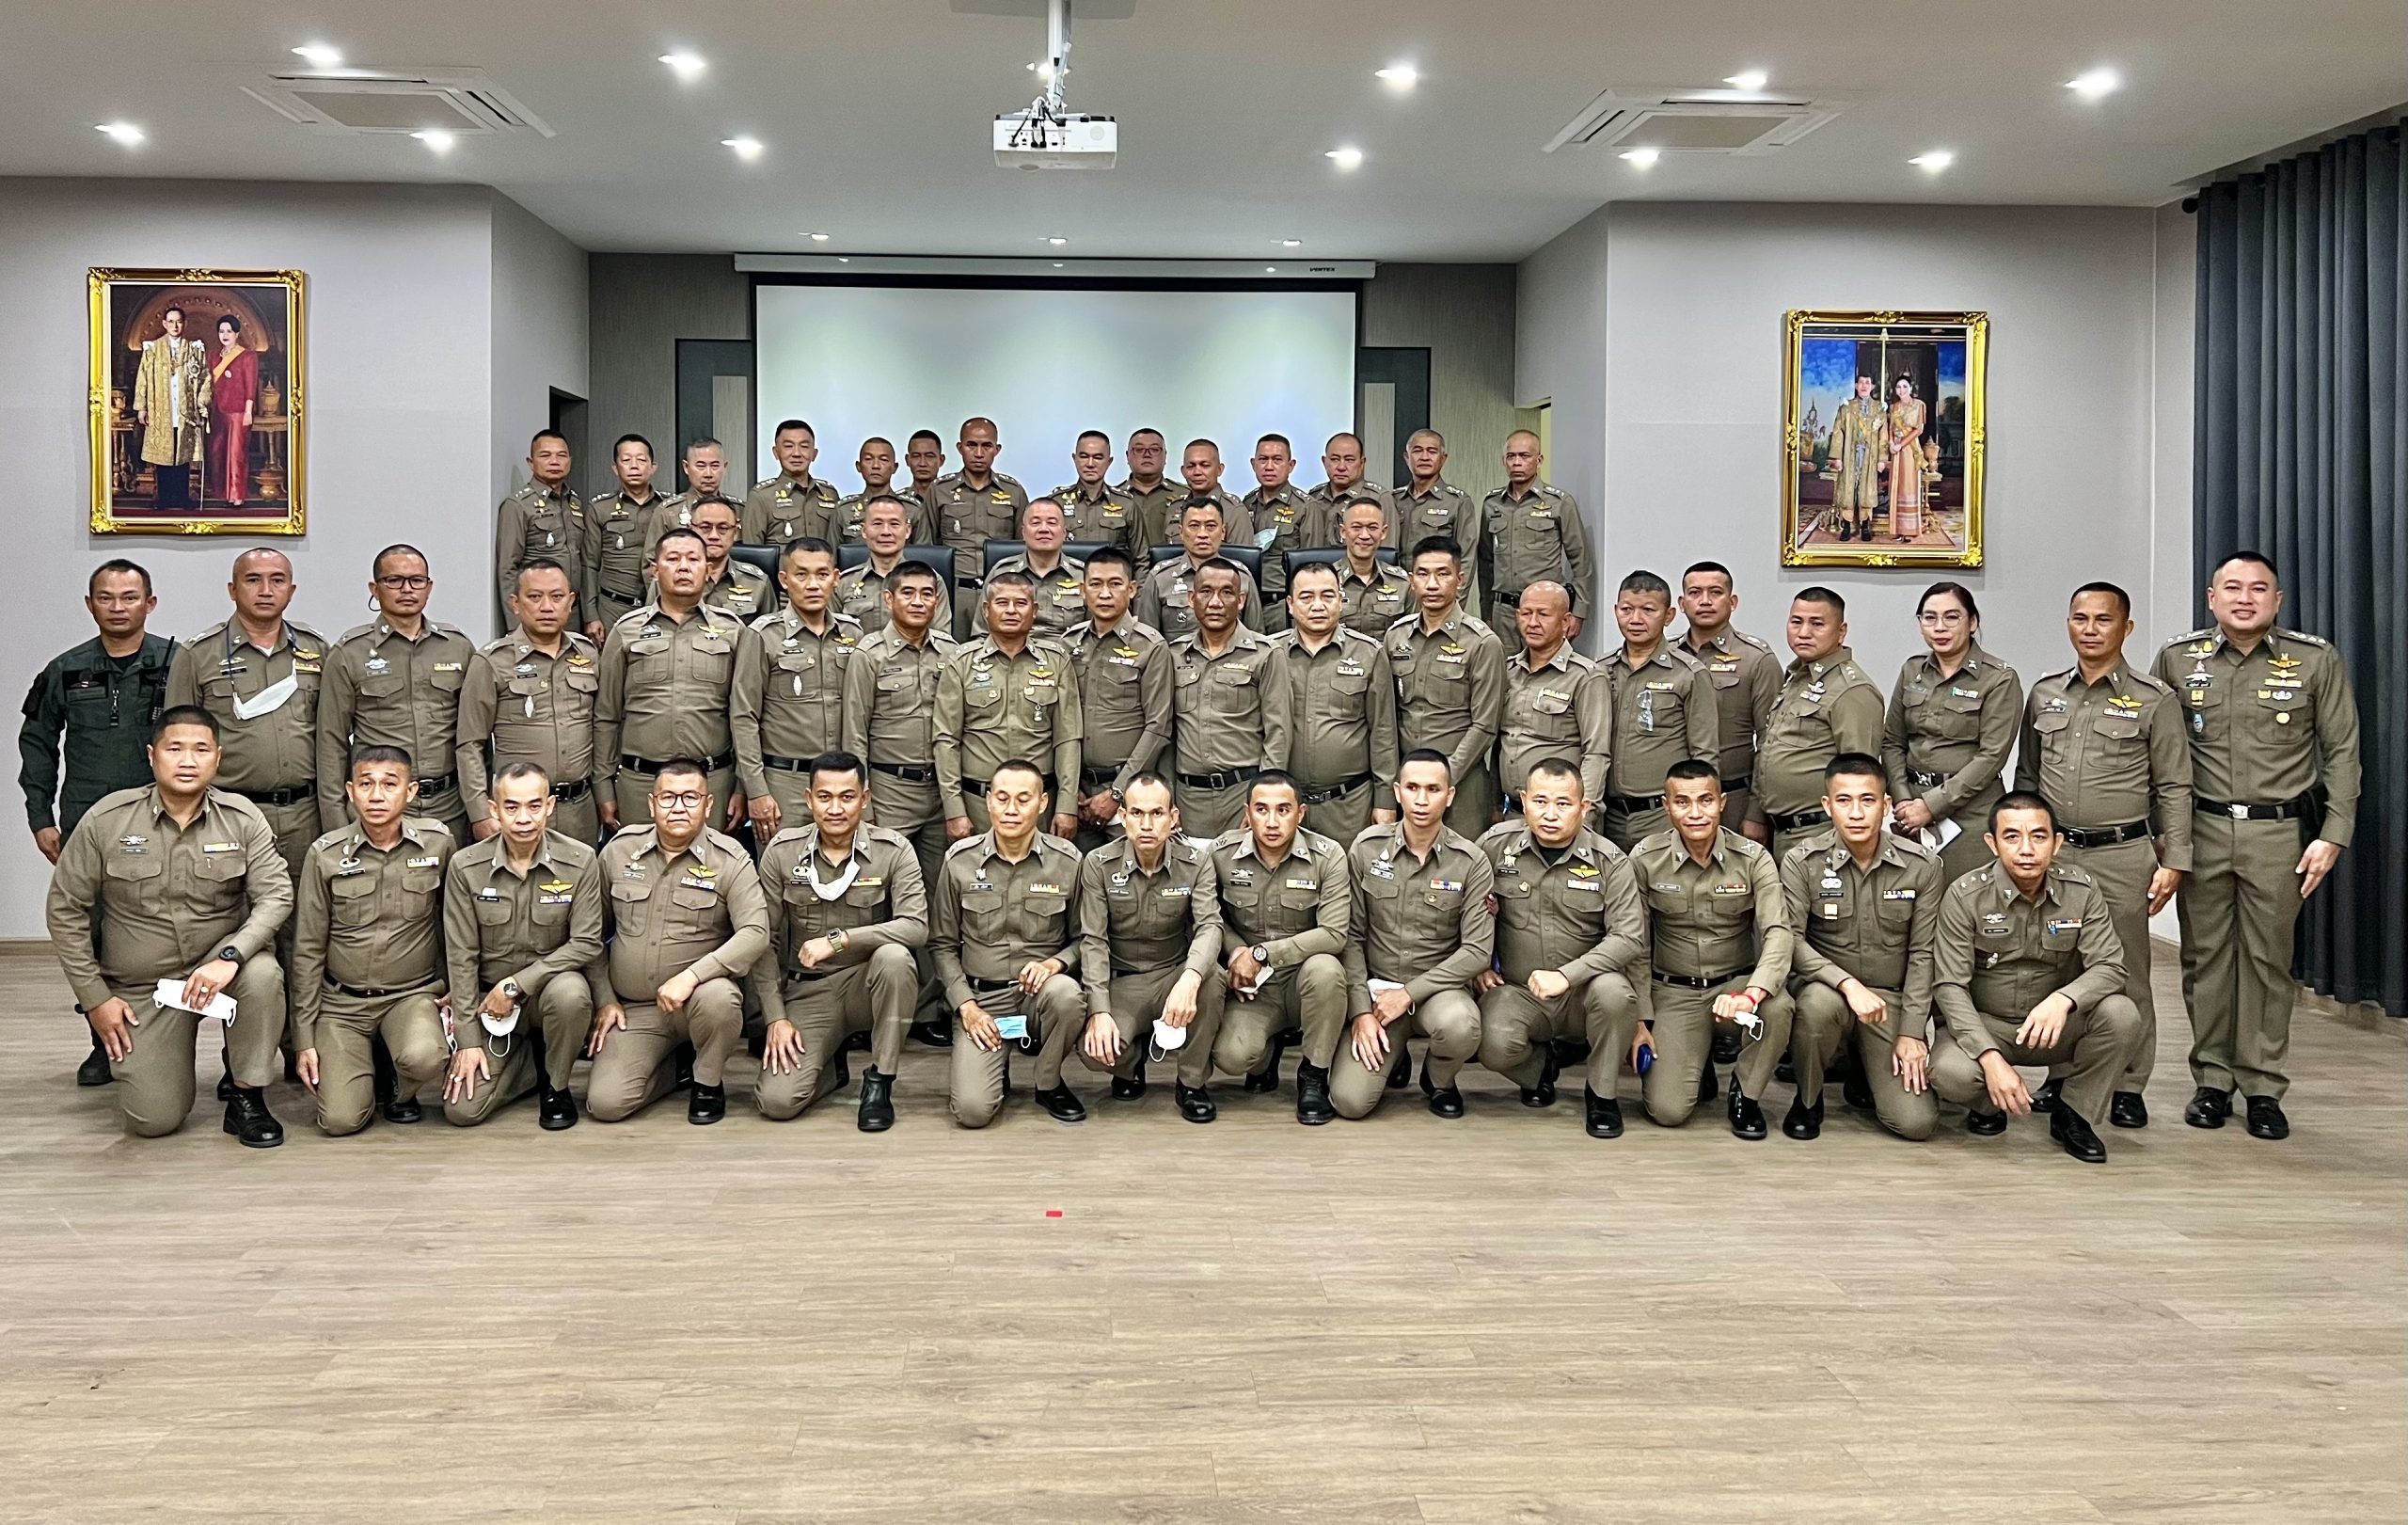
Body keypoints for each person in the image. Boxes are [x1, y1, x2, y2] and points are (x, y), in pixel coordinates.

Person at [2151, 551, 2360, 1140]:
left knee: (2268, 962)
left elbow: (2342, 752)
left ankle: (2264, 1087)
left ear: (2278, 599)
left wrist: (2334, 834)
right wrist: (2163, 837)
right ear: (2211, 598)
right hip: (2202, 830)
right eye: (2233, 588)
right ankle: (2212, 1080)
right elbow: (2158, 753)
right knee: (2205, 959)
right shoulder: (2177, 658)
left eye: (2259, 588)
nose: (2245, 599)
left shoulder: (2315, 660)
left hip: (2278, 834)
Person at [44, 707, 291, 1144]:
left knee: (263, 974)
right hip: (143, 984)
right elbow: (65, 908)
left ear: (218, 757)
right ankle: (158, 1064)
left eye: (201, 750)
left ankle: (246, 1095)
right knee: (152, 1120)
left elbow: (277, 896)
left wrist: (231, 957)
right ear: (151, 755)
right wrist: (95, 999)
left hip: (218, 967)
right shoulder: (108, 819)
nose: (188, 761)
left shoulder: (242, 817)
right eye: (175, 749)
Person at [2017, 581, 2191, 1129]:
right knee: (2056, 966)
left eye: (2103, 619)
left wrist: (2174, 859)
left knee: (2126, 970)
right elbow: (2027, 775)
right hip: (2056, 854)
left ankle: (2129, 1083)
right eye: (2080, 618)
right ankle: (2063, 1073)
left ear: (2126, 628)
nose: (2090, 629)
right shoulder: (2045, 693)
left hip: (2121, 854)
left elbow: (2174, 785)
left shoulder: (2155, 698)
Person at [166, 548, 326, 1065]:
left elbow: (332, 736)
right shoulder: (198, 655)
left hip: (303, 813)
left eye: (277, 579)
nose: (265, 589)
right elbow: (178, 739)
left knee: (303, 933)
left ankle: (299, 1045)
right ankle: (241, 1060)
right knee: (235, 932)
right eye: (252, 580)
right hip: (229, 817)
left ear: (292, 590)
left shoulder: (316, 651)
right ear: (232, 590)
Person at [20, 559, 174, 1086]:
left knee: (161, 927)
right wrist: (40, 817)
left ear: (150, 604)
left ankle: (168, 1039)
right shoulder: (65, 669)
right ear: (90, 605)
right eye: (106, 597)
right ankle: (100, 1041)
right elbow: (37, 744)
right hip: (85, 822)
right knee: (92, 931)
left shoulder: (176, 663)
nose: (118, 607)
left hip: (162, 817)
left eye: (129, 597)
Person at [1928, 792, 2142, 1164]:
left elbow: (2111, 966)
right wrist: (1990, 1059)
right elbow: (1949, 987)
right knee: (1950, 1072)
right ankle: (1988, 1104)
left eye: (2038, 836)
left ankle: (2073, 1112)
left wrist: (2064, 1000)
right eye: (2012, 837)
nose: (2026, 849)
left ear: (2056, 843)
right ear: (1992, 844)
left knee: (2121, 1014)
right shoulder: (1965, 896)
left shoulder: (2081, 890)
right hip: (1987, 1025)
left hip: (2053, 1028)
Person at [751, 752, 928, 1130]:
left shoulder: (893, 850)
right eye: (825, 797)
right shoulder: (782, 852)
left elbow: (915, 927)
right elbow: (764, 940)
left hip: (868, 984)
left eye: (847, 797)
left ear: (864, 799)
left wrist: (841, 940)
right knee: (777, 1102)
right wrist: (776, 1018)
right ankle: (831, 1068)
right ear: (808, 799)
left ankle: (880, 1081)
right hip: (809, 992)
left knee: (896, 958)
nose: (835, 808)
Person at [586, 759, 769, 1124]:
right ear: (651, 803)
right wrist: (605, 999)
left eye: (690, 797)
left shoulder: (730, 859)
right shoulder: (619, 851)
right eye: (668, 798)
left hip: (697, 1003)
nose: (679, 807)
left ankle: (707, 1082)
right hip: (635, 1009)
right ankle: (677, 1067)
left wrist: (692, 977)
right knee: (606, 1105)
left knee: (720, 999)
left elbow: (755, 932)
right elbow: (590, 932)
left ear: (708, 804)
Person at [1779, 754, 1944, 1143]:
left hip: (1889, 1001)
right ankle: (1808, 1097)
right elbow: (1791, 942)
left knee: (1915, 1123)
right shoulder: (1803, 862)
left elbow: (1924, 954)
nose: (1856, 813)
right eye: (1844, 800)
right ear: (1827, 805)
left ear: (1885, 805)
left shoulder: (1922, 866)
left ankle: (1863, 1069)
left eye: (1867, 800)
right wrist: (1847, 984)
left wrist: (1912, 1032)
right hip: (1828, 992)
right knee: (1817, 1005)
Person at [1476, 760, 1646, 1137]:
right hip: (1520, 991)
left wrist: (1567, 977)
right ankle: (1539, 1070)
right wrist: (1480, 962)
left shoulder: (1610, 861)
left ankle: (1601, 1094)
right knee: (1489, 1039)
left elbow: (1629, 937)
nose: (1550, 814)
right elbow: (1467, 906)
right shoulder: (1494, 847)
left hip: (1585, 993)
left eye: (1563, 804)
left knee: (1615, 994)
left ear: (1584, 807)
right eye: (1540, 801)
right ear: (1523, 801)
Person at [290, 745, 455, 1135]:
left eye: (389, 784)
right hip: (342, 1004)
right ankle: (370, 1070)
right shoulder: (325, 855)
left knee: (426, 1056)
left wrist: (456, 993)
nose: (376, 795)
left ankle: (400, 1086)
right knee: (340, 1121)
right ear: (350, 791)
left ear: (410, 792)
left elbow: (455, 927)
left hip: (410, 996)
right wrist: (303, 1038)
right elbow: (307, 949)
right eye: (366, 784)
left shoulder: (437, 843)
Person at [1628, 760, 1796, 1137]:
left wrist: (1752, 994)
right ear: (1666, 806)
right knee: (1668, 1110)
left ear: (1721, 802)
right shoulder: (1645, 858)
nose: (1695, 813)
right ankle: (1696, 1060)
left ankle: (1746, 1093)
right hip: (1674, 992)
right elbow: (1636, 943)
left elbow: (1778, 932)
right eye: (1682, 802)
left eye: (1705, 800)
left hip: (1735, 988)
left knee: (1778, 1006)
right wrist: (1640, 1019)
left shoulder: (1753, 858)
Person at [1328, 751, 1495, 1120]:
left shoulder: (1470, 861)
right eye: (1413, 788)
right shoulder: (1367, 848)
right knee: (1350, 1102)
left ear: (1450, 795)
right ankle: (1395, 1052)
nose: (1421, 799)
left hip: (1437, 993)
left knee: (1461, 1026)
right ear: (1397, 792)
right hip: (1376, 994)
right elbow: (1350, 936)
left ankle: (1439, 1080)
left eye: (1433, 789)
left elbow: (1477, 952)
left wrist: (1408, 994)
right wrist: (1360, 1012)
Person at [440, 761, 603, 1131]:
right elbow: (461, 957)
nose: (524, 818)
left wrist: (516, 985)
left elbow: (587, 943)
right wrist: (467, 1040)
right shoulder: (466, 867)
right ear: (494, 810)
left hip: (548, 994)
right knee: (463, 1111)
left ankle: (556, 1085)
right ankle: (529, 1065)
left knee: (571, 993)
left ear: (550, 806)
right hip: (491, 1004)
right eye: (511, 807)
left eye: (534, 805)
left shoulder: (580, 860)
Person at [930, 760, 1090, 1127]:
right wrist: (967, 1007)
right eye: (1002, 798)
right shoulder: (959, 861)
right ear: (988, 801)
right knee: (972, 1111)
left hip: (1040, 998)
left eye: (1023, 799)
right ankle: (994, 1063)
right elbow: (941, 945)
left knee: (1067, 995)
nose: (1011, 809)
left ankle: (1048, 1082)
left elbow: (1086, 939)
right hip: (984, 1002)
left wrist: (1054, 965)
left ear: (1043, 803)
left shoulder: (1068, 862)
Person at [1075, 772, 1226, 1122]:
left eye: (1157, 813)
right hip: (1123, 982)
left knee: (1213, 978)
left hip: (1173, 975)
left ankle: (1191, 1083)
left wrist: (1190, 978)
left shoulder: (1196, 862)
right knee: (1094, 1052)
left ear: (1173, 818)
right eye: (1137, 813)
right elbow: (1093, 940)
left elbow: (1209, 925)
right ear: (1123, 817)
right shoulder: (1098, 864)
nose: (1147, 825)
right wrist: (1099, 1010)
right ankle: (1131, 1062)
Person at [1206, 772, 1353, 1122]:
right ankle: (1267, 1053)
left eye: (1283, 810)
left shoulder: (1328, 856)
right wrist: (1237, 952)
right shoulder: (1221, 854)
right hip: (1255, 989)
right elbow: (1209, 917)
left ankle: (1314, 1075)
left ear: (1300, 813)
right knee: (1232, 1057)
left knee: (1326, 970)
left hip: (1305, 983)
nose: (1272, 821)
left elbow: (1334, 934)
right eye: (1262, 810)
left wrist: (1261, 954)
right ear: (1247, 812)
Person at [317, 545, 477, 844]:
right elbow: (330, 744)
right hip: (378, 808)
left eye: (416, 580)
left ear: (429, 587)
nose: (407, 589)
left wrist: (480, 811)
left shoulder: (457, 647)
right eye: (394, 580)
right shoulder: (349, 653)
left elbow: (475, 735)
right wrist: (336, 824)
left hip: (449, 805)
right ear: (374, 589)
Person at [594, 528, 751, 830]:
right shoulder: (626, 630)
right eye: (673, 559)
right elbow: (606, 716)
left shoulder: (733, 631)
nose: (683, 567)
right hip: (640, 784)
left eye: (693, 559)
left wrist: (743, 786)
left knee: (710, 860)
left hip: (713, 782)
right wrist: (603, 786)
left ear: (708, 569)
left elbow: (744, 715)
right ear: (655, 570)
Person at [1883, 581, 2022, 883]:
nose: (1939, 627)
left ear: (1972, 623)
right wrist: (1903, 800)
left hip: (1970, 815)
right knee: (1910, 901)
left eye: (1951, 617)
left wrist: (1932, 806)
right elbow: (1892, 741)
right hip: (1911, 812)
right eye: (1929, 618)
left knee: (1967, 900)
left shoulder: (1998, 678)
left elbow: (1991, 757)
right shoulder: (1912, 671)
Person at [456, 559, 602, 848]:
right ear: (515, 604)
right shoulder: (492, 661)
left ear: (571, 601)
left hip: (580, 809)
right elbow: (470, 743)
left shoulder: (587, 654)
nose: (547, 607)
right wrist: (479, 812)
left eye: (557, 597)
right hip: (518, 812)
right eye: (535, 597)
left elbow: (603, 728)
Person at [935, 571, 1082, 838]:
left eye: (1021, 603)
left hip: (1039, 803)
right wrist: (955, 810)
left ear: (1034, 610)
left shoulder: (1056, 661)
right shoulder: (961, 663)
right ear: (986, 610)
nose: (1011, 610)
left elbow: (1068, 738)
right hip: (978, 803)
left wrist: (1066, 806)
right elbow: (946, 739)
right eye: (1002, 603)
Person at [733, 537, 862, 841]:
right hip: (784, 784)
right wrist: (757, 791)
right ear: (784, 580)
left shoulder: (853, 633)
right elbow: (743, 716)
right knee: (783, 868)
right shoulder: (763, 635)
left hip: (841, 783)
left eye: (822, 574)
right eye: (801, 575)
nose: (812, 584)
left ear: (836, 578)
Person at [842, 561, 960, 885]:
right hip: (889, 791)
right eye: (908, 593)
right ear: (888, 599)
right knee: (880, 883)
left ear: (937, 601)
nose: (918, 602)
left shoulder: (952, 653)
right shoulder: (869, 655)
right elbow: (854, 734)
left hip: (941, 791)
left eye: (926, 594)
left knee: (940, 887)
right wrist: (862, 801)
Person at [1387, 536, 1506, 840]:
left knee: (1460, 864)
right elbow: (1387, 717)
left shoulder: (1482, 642)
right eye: (1423, 574)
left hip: (1461, 784)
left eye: (1442, 574)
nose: (1432, 584)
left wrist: (1442, 779)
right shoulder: (1396, 637)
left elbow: (1485, 726)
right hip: (1406, 782)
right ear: (1411, 580)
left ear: (1460, 579)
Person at [1164, 559, 1292, 841]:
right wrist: (1167, 799)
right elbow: (1166, 733)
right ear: (1191, 598)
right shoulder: (1174, 655)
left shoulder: (1265, 654)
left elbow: (1278, 733)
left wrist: (1263, 801)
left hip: (1242, 796)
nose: (1215, 602)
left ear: (1241, 600)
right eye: (1206, 592)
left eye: (1226, 593)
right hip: (1188, 800)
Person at [1757, 587, 1884, 864]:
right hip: (1780, 830)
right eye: (1796, 622)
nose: (1804, 632)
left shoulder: (1852, 690)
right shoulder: (1797, 677)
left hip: (1821, 834)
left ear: (1841, 632)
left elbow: (1859, 778)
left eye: (1817, 624)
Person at [1276, 560, 1398, 848]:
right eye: (1307, 597)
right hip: (1284, 804)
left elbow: (1383, 733)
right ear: (1290, 605)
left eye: (1327, 596)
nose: (1318, 606)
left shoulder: (1369, 654)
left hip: (1350, 806)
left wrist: (1385, 802)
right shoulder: (1271, 653)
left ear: (1341, 601)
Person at [1063, 547, 1174, 851]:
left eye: (1115, 584)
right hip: (1076, 794)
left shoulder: (1151, 647)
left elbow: (1158, 727)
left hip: (1130, 793)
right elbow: (1060, 721)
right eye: (1096, 584)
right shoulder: (1069, 644)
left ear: (1132, 589)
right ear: (1082, 590)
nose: (1105, 593)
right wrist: (1069, 789)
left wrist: (1117, 792)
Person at [1601, 570, 1718, 850]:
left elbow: (1704, 753)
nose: (1635, 619)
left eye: (1648, 610)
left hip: (1661, 815)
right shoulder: (1601, 670)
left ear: (1668, 615)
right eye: (1627, 610)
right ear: (1616, 611)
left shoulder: (1688, 673)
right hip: (1608, 815)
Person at [1677, 562, 1781, 844]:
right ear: (1682, 604)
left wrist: (1756, 812)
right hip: (1675, 799)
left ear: (1732, 602)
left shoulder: (1756, 659)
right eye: (1695, 593)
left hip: (1733, 799)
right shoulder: (1669, 657)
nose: (1705, 601)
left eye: (1715, 592)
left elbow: (1771, 742)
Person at [1499, 581, 1608, 819]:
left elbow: (1596, 753)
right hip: (1514, 812)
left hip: (1561, 815)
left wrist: (1583, 816)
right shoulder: (1507, 670)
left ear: (1565, 621)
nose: (1533, 622)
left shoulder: (1585, 676)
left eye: (1543, 614)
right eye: (1526, 614)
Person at [1481, 431, 1596, 652]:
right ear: (1503, 461)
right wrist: (1486, 612)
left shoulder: (1559, 502)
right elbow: (1485, 562)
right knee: (1504, 670)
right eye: (1511, 456)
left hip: (1545, 610)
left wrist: (1578, 612)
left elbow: (1581, 562)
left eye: (1524, 456)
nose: (1517, 462)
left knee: (1547, 667)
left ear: (1539, 460)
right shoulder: (1492, 504)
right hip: (1503, 612)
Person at [933, 416, 1029, 624]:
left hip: (1001, 592)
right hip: (954, 592)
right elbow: (928, 546)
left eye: (986, 446)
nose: (978, 453)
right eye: (971, 445)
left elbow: (1023, 547)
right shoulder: (940, 490)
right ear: (960, 448)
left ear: (997, 449)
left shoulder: (1014, 491)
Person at [1135, 497, 1265, 642]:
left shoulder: (1242, 577)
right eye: (1194, 526)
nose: (1202, 534)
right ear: (1181, 532)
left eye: (1210, 526)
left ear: (1223, 532)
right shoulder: (1160, 578)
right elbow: (1146, 641)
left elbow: (1256, 638)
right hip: (1176, 656)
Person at [583, 434, 673, 638]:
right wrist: (590, 616)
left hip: (661, 604)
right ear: (615, 468)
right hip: (613, 607)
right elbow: (589, 565)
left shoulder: (670, 508)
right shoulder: (600, 508)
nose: (634, 466)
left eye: (641, 460)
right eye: (626, 460)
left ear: (653, 467)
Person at [493, 429, 585, 626]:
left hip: (571, 612)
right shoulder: (518, 505)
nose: (554, 461)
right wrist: (515, 625)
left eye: (561, 455)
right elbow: (508, 569)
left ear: (570, 461)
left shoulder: (574, 503)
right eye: (545, 455)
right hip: (536, 612)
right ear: (531, 462)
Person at [833, 495, 955, 635]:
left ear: (907, 531)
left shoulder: (932, 581)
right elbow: (830, 637)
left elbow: (941, 640)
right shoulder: (843, 583)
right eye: (877, 524)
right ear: (864, 531)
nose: (886, 532)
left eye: (894, 524)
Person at [974, 498, 1088, 638]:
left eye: (1052, 523)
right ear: (1023, 532)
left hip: (1067, 650)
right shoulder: (1001, 572)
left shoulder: (1084, 575)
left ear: (1064, 533)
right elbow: (982, 633)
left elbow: (1095, 635)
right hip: (1012, 649)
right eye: (1035, 523)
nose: (1044, 529)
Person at [132, 305, 208, 509]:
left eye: (179, 322)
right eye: (171, 322)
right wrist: (142, 407)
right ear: (165, 324)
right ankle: (164, 498)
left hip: (185, 411)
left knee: (182, 455)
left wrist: (202, 402)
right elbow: (142, 379)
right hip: (160, 409)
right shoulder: (153, 349)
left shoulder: (194, 349)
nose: (175, 326)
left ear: (184, 324)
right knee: (164, 455)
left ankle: (182, 497)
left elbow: (205, 378)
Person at [1242, 433, 1316, 627]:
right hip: (1247, 601)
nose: (1269, 466)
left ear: (1291, 465)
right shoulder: (1246, 503)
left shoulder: (1305, 506)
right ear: (1253, 464)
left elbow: (1312, 565)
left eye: (1277, 460)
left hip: (1282, 605)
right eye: (1263, 459)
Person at [1386, 430, 1479, 574]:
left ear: (1443, 459)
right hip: (1397, 585)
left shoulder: (1457, 502)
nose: (1424, 457)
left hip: (1437, 585)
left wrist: (1457, 589)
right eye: (1417, 451)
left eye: (1432, 452)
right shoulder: (1392, 500)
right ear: (1407, 458)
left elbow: (1466, 559)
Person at [742, 418, 840, 551]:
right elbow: (752, 553)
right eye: (788, 446)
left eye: (804, 446)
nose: (796, 453)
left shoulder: (830, 494)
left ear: (814, 454)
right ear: (776, 452)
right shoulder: (761, 496)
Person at [1331, 497, 1413, 636]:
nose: (1364, 535)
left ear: (1383, 532)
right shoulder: (1325, 581)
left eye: (1372, 528)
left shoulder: (1402, 583)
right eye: (1356, 528)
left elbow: (1413, 635)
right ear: (1343, 532)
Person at [1048, 430, 1142, 551]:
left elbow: (1140, 558)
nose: (1090, 464)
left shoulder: (1126, 504)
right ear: (1074, 459)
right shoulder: (1056, 503)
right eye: (1084, 457)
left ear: (1109, 462)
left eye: (1098, 458)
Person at [1821, 373, 1883, 543]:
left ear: (1872, 387)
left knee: (1866, 491)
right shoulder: (1846, 408)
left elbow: (1883, 436)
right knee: (1848, 489)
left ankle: (1865, 526)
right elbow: (1838, 433)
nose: (1864, 386)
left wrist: (1882, 459)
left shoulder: (1879, 409)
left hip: (1869, 456)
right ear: (1856, 386)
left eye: (1867, 383)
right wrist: (1837, 457)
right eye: (1861, 382)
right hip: (1850, 454)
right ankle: (1847, 527)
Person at [206, 313, 259, 506]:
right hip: (218, 411)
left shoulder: (247, 356)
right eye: (221, 331)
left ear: (237, 334)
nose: (225, 335)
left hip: (238, 412)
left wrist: (248, 411)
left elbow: (251, 385)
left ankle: (237, 494)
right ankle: (222, 492)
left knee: (236, 454)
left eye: (229, 331)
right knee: (217, 452)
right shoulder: (213, 357)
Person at [689, 499, 771, 619]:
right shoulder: (671, 578)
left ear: (736, 533)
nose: (713, 536)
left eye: (723, 528)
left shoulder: (757, 583)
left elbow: (770, 628)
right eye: (705, 527)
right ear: (690, 530)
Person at [832, 437, 920, 546]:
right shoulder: (843, 511)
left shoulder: (913, 510)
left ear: (895, 467)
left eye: (884, 460)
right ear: (859, 466)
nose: (876, 466)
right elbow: (830, 554)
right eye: (869, 459)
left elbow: (924, 553)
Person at [1167, 438, 1256, 545]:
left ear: (1219, 469)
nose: (1197, 472)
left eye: (1205, 465)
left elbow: (1243, 554)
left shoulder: (1234, 511)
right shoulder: (1175, 508)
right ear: (1183, 471)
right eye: (1191, 466)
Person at [1116, 427, 1181, 549]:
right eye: (1139, 450)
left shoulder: (1186, 496)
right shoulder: (1113, 498)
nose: (1147, 455)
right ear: (1128, 456)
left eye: (1154, 450)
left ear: (1165, 456)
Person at [1308, 433, 1386, 536]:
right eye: (1335, 459)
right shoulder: (1314, 497)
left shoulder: (1379, 498)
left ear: (1362, 463)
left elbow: (1388, 545)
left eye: (1349, 460)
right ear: (1324, 462)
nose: (1341, 467)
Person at [1884, 374, 1927, 541]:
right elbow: (1890, 428)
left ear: (1910, 388)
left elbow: (1919, 430)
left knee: (1908, 485)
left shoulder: (1919, 405)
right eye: (1898, 387)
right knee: (1896, 486)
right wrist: (1891, 443)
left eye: (1904, 386)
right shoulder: (1893, 407)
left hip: (1909, 449)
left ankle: (1910, 529)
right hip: (1896, 449)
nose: (1901, 390)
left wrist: (1901, 445)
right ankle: (1897, 528)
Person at [897, 428, 947, 531]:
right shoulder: (897, 502)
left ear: (941, 460)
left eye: (929, 457)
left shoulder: (951, 499)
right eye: (916, 456)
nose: (922, 463)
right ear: (907, 460)